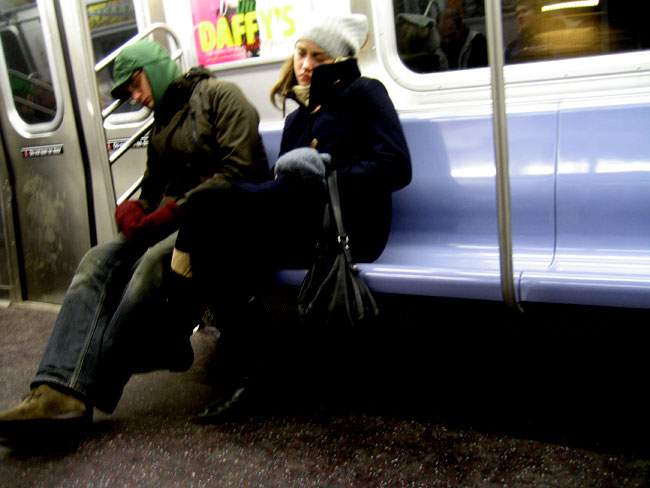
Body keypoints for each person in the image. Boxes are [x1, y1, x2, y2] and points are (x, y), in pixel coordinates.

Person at [0, 40, 269, 443]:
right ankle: (55, 387)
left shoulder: (220, 96)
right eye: (127, 93)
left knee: (147, 269)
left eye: (136, 84)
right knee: (96, 259)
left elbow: (242, 170)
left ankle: (82, 395)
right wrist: (136, 208)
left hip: (214, 217)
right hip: (171, 218)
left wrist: (173, 212)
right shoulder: (162, 122)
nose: (136, 97)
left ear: (155, 69)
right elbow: (152, 187)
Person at [169, 13, 413, 422]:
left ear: (338, 60)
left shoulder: (366, 93)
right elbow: (282, 181)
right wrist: (291, 181)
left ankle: (181, 320)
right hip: (297, 220)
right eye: (301, 53)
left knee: (204, 208)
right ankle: (253, 376)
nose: (304, 65)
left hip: (346, 226)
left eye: (318, 57)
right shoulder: (298, 113)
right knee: (215, 242)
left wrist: (326, 173)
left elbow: (396, 166)